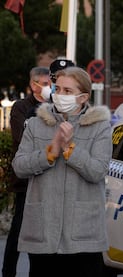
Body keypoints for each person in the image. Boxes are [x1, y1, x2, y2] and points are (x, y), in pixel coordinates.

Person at [12, 67, 112, 276]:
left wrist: (69, 149)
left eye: (68, 91)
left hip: (83, 235)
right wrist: (52, 151)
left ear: (83, 97)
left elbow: (97, 171)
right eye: (58, 89)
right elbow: (19, 166)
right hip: (43, 231)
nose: (60, 95)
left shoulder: (100, 126)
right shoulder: (36, 124)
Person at [2, 67, 51, 277]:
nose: (50, 87)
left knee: (40, 235)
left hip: (47, 178)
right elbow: (21, 139)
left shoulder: (52, 107)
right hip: (25, 181)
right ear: (34, 85)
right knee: (19, 231)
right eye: (46, 83)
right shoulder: (21, 108)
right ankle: (9, 272)